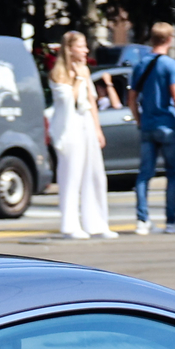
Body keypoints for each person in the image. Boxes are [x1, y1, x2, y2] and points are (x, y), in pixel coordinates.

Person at [47, 29, 113, 239]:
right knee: (71, 175)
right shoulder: (58, 74)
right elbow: (70, 101)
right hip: (69, 126)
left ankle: (97, 222)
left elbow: (91, 101)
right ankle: (70, 224)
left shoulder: (84, 70)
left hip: (85, 123)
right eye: (81, 46)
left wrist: (97, 128)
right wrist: (78, 79)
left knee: (95, 174)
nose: (85, 50)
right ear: (70, 49)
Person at [128, 22, 175, 234]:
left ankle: (142, 220)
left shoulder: (141, 65)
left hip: (148, 125)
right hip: (168, 124)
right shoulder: (170, 65)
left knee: (144, 174)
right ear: (169, 40)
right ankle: (171, 221)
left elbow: (132, 98)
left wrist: (139, 119)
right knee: (172, 174)